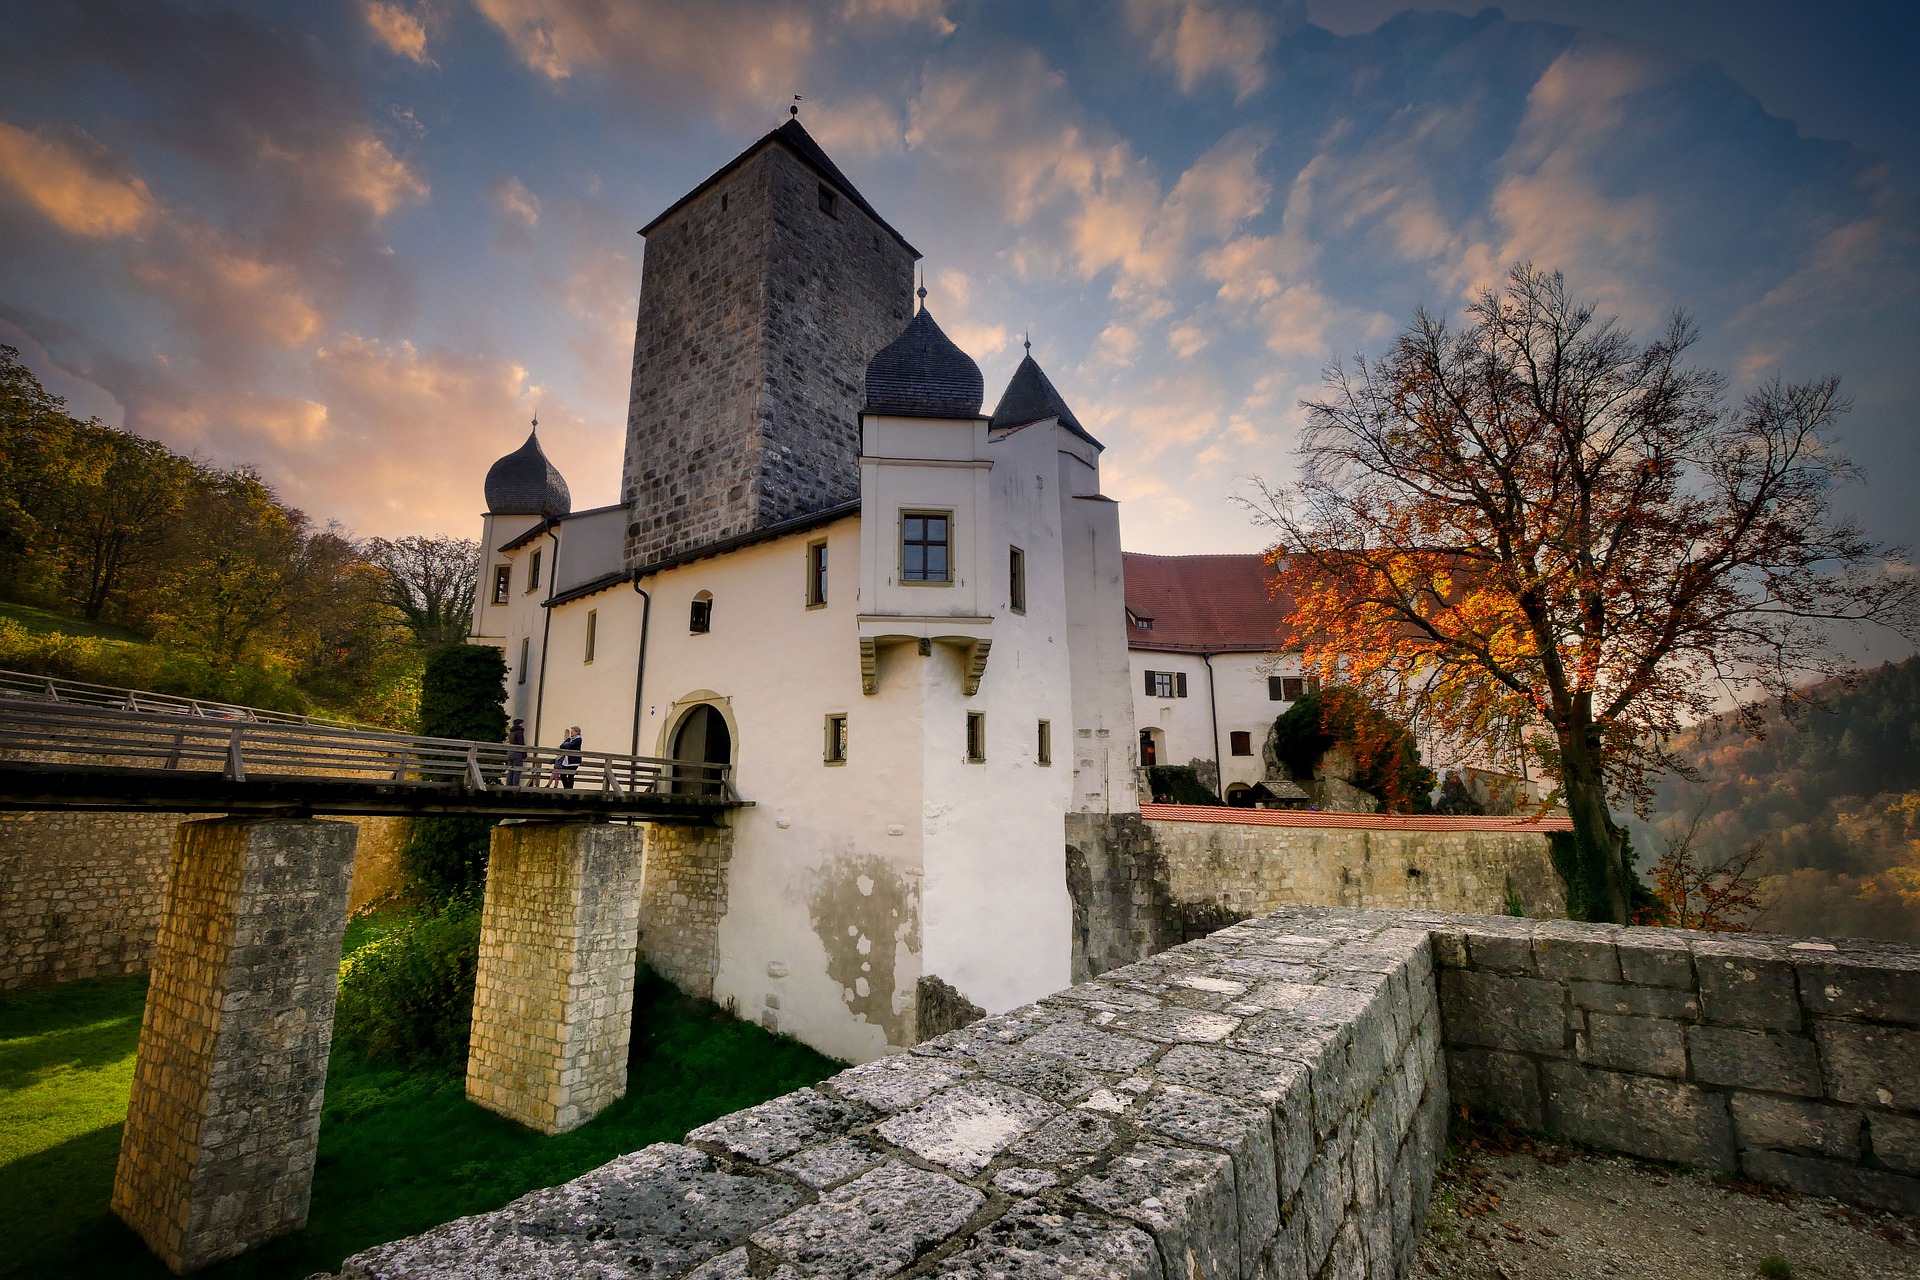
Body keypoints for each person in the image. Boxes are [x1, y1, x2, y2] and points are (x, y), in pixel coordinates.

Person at [505, 718, 526, 787]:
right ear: (519, 724)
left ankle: (508, 786)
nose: (523, 724)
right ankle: (515, 787)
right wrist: (524, 753)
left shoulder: (512, 732)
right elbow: (521, 743)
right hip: (517, 753)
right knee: (517, 770)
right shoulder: (519, 731)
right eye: (522, 723)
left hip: (510, 752)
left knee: (511, 770)